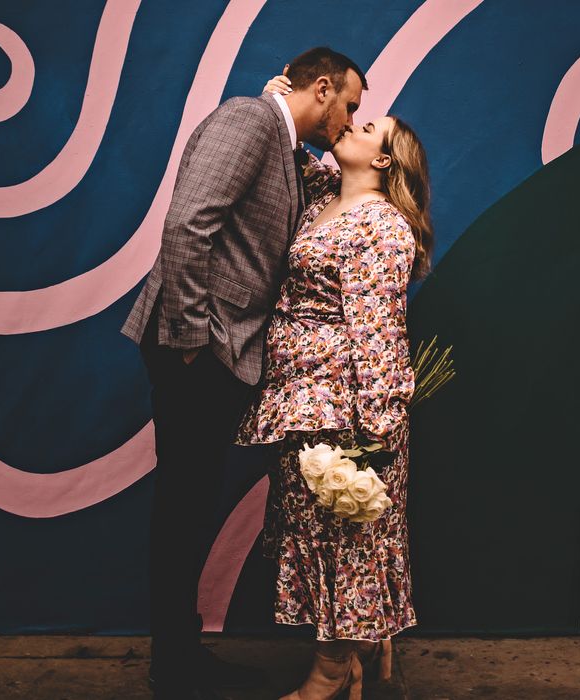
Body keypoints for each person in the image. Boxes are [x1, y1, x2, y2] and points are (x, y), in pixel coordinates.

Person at [120, 48, 367, 699]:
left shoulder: (282, 145)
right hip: (197, 352)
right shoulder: (250, 120)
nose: (350, 121)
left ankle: (178, 654)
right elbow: (187, 223)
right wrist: (192, 344)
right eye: (350, 106)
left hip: (215, 356)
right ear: (321, 87)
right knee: (184, 508)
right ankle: (174, 665)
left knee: (191, 506)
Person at [233, 70, 434, 699]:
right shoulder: (327, 197)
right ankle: (360, 648)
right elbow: (293, 150)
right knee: (313, 534)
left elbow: (377, 335)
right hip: (301, 399)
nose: (355, 121)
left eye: (371, 126)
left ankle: (330, 671)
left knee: (345, 542)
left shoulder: (381, 227)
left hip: (346, 409)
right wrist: (278, 100)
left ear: (382, 158)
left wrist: (374, 436)